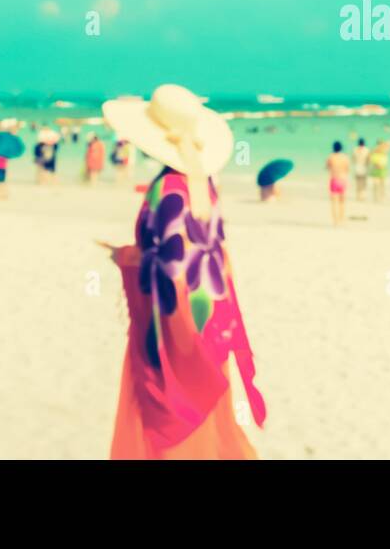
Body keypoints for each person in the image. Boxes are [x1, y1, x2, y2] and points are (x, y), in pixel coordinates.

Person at [101, 84, 266, 458]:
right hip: (211, 317)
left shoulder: (167, 189)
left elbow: (168, 267)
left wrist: (125, 258)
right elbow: (206, 253)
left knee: (172, 424)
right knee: (207, 424)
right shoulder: (202, 184)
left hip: (176, 327)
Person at [326, 141, 349, 226]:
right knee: (342, 202)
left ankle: (335, 221)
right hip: (343, 180)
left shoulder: (331, 157)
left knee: (334, 202)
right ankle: (341, 219)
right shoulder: (345, 157)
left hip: (334, 180)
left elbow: (327, 167)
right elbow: (347, 168)